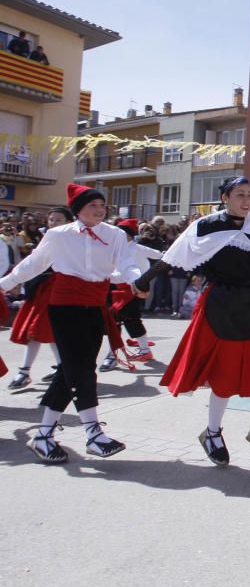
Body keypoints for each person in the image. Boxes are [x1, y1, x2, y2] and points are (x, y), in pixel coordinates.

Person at [134, 176, 250, 466]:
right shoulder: (205, 226)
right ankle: (213, 433)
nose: (247, 201)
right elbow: (171, 257)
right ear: (225, 198)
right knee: (224, 372)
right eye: (240, 195)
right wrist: (143, 280)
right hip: (221, 304)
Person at [0, 185, 141, 463]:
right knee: (81, 369)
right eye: (93, 205)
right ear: (78, 210)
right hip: (64, 307)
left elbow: (126, 263)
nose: (100, 210)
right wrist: (4, 285)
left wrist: (136, 280)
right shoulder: (58, 235)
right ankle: (93, 433)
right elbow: (33, 264)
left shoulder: (113, 235)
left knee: (72, 370)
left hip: (95, 307)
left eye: (102, 205)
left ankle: (43, 435)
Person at [6, 207, 72, 391]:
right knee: (38, 330)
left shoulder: (72, 240)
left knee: (46, 331)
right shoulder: (47, 238)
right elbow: (32, 264)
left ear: (68, 221)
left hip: (62, 290)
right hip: (43, 289)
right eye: (51, 219)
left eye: (58, 219)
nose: (53, 222)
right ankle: (33, 370)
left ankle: (56, 370)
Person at [99, 219, 164, 371]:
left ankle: (140, 351)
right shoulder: (112, 248)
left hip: (130, 289)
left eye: (121, 233)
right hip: (113, 288)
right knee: (113, 323)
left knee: (131, 321)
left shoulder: (136, 248)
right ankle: (114, 353)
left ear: (129, 235)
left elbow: (159, 255)